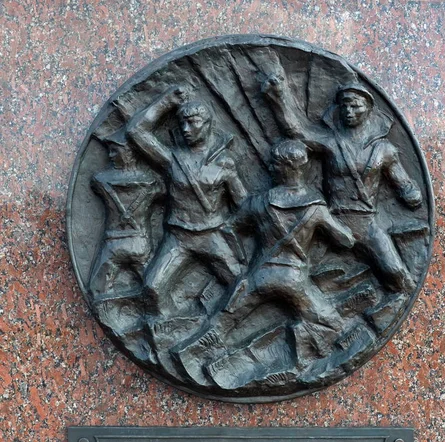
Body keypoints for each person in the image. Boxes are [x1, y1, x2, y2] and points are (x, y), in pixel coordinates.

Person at [175, 140, 355, 386]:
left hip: (259, 276)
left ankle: (193, 355)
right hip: (294, 280)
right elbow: (346, 241)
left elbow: (229, 229)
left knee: (225, 319)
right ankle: (304, 349)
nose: (270, 168)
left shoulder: (258, 203)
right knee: (332, 323)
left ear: (288, 168)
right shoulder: (316, 208)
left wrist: (242, 263)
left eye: (274, 163)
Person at [262, 76, 422, 293]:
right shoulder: (331, 142)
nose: (348, 110)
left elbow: (403, 183)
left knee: (396, 274)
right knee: (291, 275)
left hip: (366, 223)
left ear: (368, 109)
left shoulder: (384, 150)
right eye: (344, 104)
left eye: (355, 105)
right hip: (329, 221)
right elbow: (297, 132)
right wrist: (279, 97)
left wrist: (409, 192)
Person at [126, 85, 248, 316]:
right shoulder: (172, 159)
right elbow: (136, 131)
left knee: (241, 284)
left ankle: (218, 332)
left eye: (192, 123)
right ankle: (168, 328)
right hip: (178, 237)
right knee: (152, 287)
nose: (185, 129)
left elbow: (243, 204)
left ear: (208, 124)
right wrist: (167, 101)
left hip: (212, 236)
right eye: (182, 123)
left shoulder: (225, 163)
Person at [89, 126, 162, 301]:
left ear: (130, 153)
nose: (111, 156)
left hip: (114, 245)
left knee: (98, 290)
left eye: (115, 151)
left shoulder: (100, 180)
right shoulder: (152, 182)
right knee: (155, 289)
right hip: (139, 243)